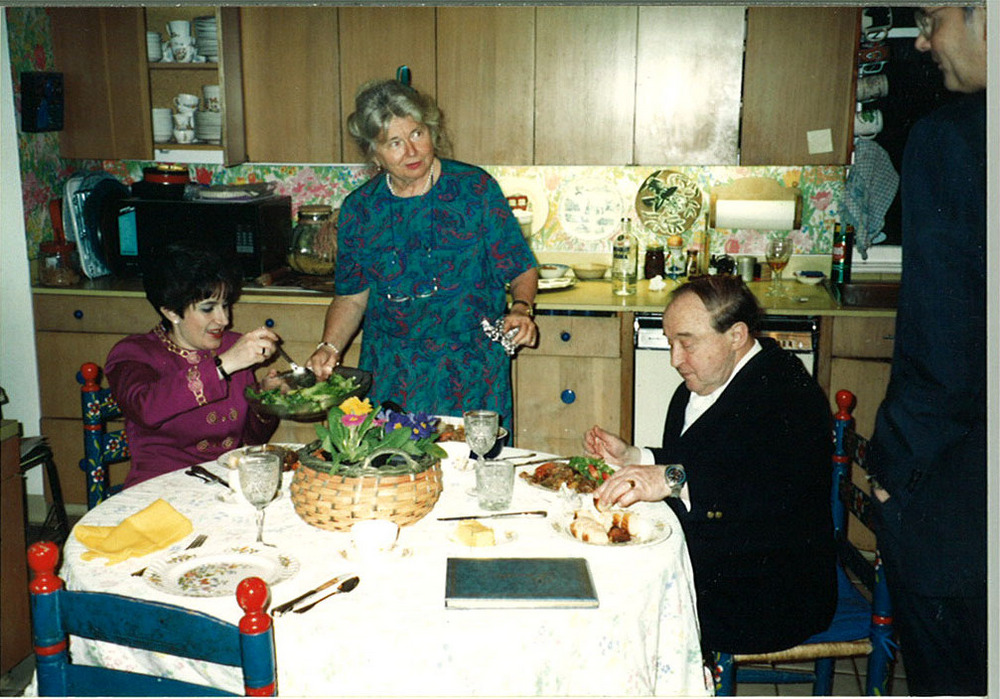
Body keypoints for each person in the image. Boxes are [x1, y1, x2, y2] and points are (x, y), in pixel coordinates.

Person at [586, 275, 836, 655]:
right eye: (671, 343)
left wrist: (669, 478)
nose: (675, 359)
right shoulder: (701, 384)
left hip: (768, 591)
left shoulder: (786, 394)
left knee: (618, 605)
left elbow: (759, 488)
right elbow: (702, 459)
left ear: (736, 336)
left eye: (687, 343)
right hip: (721, 563)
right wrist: (635, 457)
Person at [866, 6, 988, 694]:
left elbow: (943, 344)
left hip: (961, 497)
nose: (922, 41)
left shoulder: (953, 141)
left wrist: (895, 472)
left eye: (931, 18)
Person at [306, 79, 538, 425]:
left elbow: (519, 266)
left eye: (417, 134)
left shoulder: (474, 190)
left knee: (473, 469)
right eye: (394, 143)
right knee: (395, 469)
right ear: (374, 153)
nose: (411, 151)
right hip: (391, 370)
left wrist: (521, 308)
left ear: (432, 131)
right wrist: (330, 347)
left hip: (471, 368)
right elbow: (352, 298)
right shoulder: (360, 209)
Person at [105, 242, 283, 487]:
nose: (223, 319)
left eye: (225, 305)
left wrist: (264, 400)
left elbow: (253, 440)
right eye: (208, 308)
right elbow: (145, 407)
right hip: (159, 490)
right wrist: (224, 365)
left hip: (223, 485)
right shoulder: (134, 353)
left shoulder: (231, 346)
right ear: (171, 312)